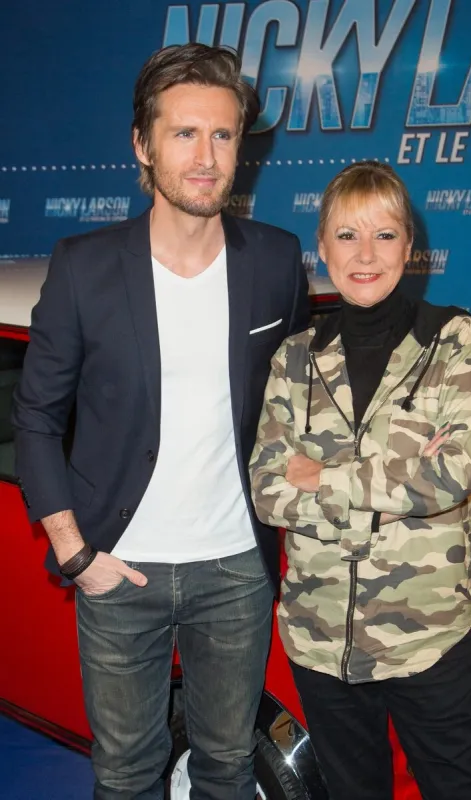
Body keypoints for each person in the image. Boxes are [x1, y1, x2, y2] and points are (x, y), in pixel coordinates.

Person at [13, 43, 309, 800]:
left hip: (236, 570)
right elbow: (37, 418)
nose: (206, 157)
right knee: (125, 775)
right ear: (142, 146)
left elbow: (297, 404)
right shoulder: (84, 265)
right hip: (118, 568)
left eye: (222, 135)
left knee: (226, 770)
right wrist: (78, 556)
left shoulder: (274, 260)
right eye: (184, 134)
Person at [250, 161, 471, 800]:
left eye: (384, 235)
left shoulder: (452, 341)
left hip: (428, 636)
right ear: (322, 247)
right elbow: (268, 490)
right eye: (347, 235)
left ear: (410, 248)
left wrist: (320, 476)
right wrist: (388, 486)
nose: (365, 254)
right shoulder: (294, 358)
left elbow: (448, 476)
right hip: (320, 637)